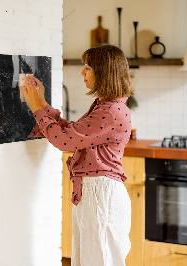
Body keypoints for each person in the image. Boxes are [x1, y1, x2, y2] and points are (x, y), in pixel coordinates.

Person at [21, 44, 133, 266]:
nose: (82, 72)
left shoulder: (110, 111)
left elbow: (64, 141)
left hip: (101, 195)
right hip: (96, 193)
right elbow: (72, 133)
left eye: (88, 67)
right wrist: (42, 103)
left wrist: (36, 108)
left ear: (104, 72)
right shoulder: (106, 106)